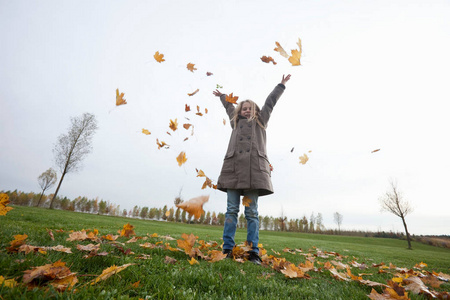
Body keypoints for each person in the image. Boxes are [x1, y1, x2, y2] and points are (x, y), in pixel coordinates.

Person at [212, 74, 291, 264]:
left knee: (252, 213)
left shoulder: (261, 121)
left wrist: (280, 85)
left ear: (256, 111)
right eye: (244, 108)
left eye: (250, 108)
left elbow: (270, 102)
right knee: (231, 210)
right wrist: (223, 96)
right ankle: (227, 249)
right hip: (233, 170)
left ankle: (253, 251)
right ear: (240, 111)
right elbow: (229, 107)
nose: (247, 111)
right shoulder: (235, 122)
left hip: (254, 173)